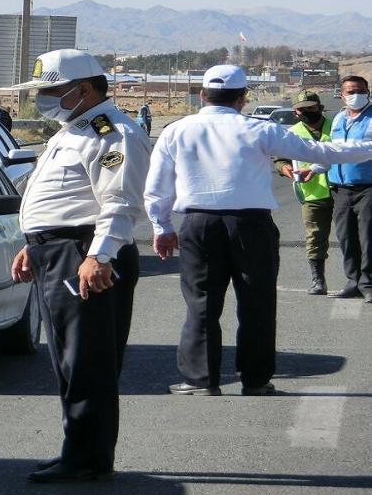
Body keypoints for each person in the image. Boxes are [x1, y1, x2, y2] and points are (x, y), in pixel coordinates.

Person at [144, 65, 372, 398]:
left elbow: (157, 185)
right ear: (243, 98)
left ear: (203, 95)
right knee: (257, 302)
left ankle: (200, 380)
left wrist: (161, 226)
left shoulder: (177, 130)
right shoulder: (258, 129)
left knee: (201, 303)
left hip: (199, 224)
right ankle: (255, 379)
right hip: (250, 224)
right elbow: (320, 152)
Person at [9, 49, 151, 483]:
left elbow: (119, 204)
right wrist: (31, 245)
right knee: (69, 361)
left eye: (50, 91)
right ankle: (80, 449)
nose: (42, 100)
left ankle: (88, 457)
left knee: (87, 359)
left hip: (83, 253)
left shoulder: (113, 133)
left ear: (83, 88)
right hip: (59, 252)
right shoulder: (74, 129)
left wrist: (98, 256)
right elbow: (58, 199)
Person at [314, 75, 372, 301]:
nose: (355, 95)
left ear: (367, 92)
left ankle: (368, 283)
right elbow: (332, 149)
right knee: (346, 238)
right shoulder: (338, 119)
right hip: (340, 188)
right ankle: (352, 281)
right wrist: (315, 169)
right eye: (350, 91)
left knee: (367, 237)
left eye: (360, 90)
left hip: (368, 188)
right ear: (342, 94)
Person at [271, 90, 333, 295]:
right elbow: (280, 159)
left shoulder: (337, 126)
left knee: (352, 236)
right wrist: (285, 168)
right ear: (295, 113)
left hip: (343, 190)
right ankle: (318, 280)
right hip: (311, 193)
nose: (307, 112)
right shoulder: (292, 133)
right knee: (315, 237)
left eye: (311, 108)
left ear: (320, 108)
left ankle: (359, 279)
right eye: (302, 109)